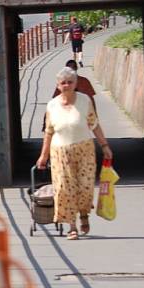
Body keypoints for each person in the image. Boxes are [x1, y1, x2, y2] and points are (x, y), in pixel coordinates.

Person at [36, 67, 113, 240]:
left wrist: (105, 145)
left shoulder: (85, 101)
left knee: (85, 185)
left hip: (84, 149)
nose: (67, 85)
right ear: (58, 85)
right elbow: (48, 132)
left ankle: (84, 214)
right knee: (64, 188)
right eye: (63, 83)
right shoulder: (52, 105)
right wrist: (44, 155)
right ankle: (72, 226)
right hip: (60, 151)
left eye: (70, 82)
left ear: (76, 84)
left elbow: (94, 124)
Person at [42, 59, 96, 131]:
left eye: (73, 67)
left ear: (76, 68)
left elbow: (91, 99)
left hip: (81, 115)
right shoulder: (62, 83)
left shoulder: (84, 81)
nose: (71, 70)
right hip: (65, 115)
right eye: (69, 68)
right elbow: (54, 102)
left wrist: (94, 114)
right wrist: (46, 120)